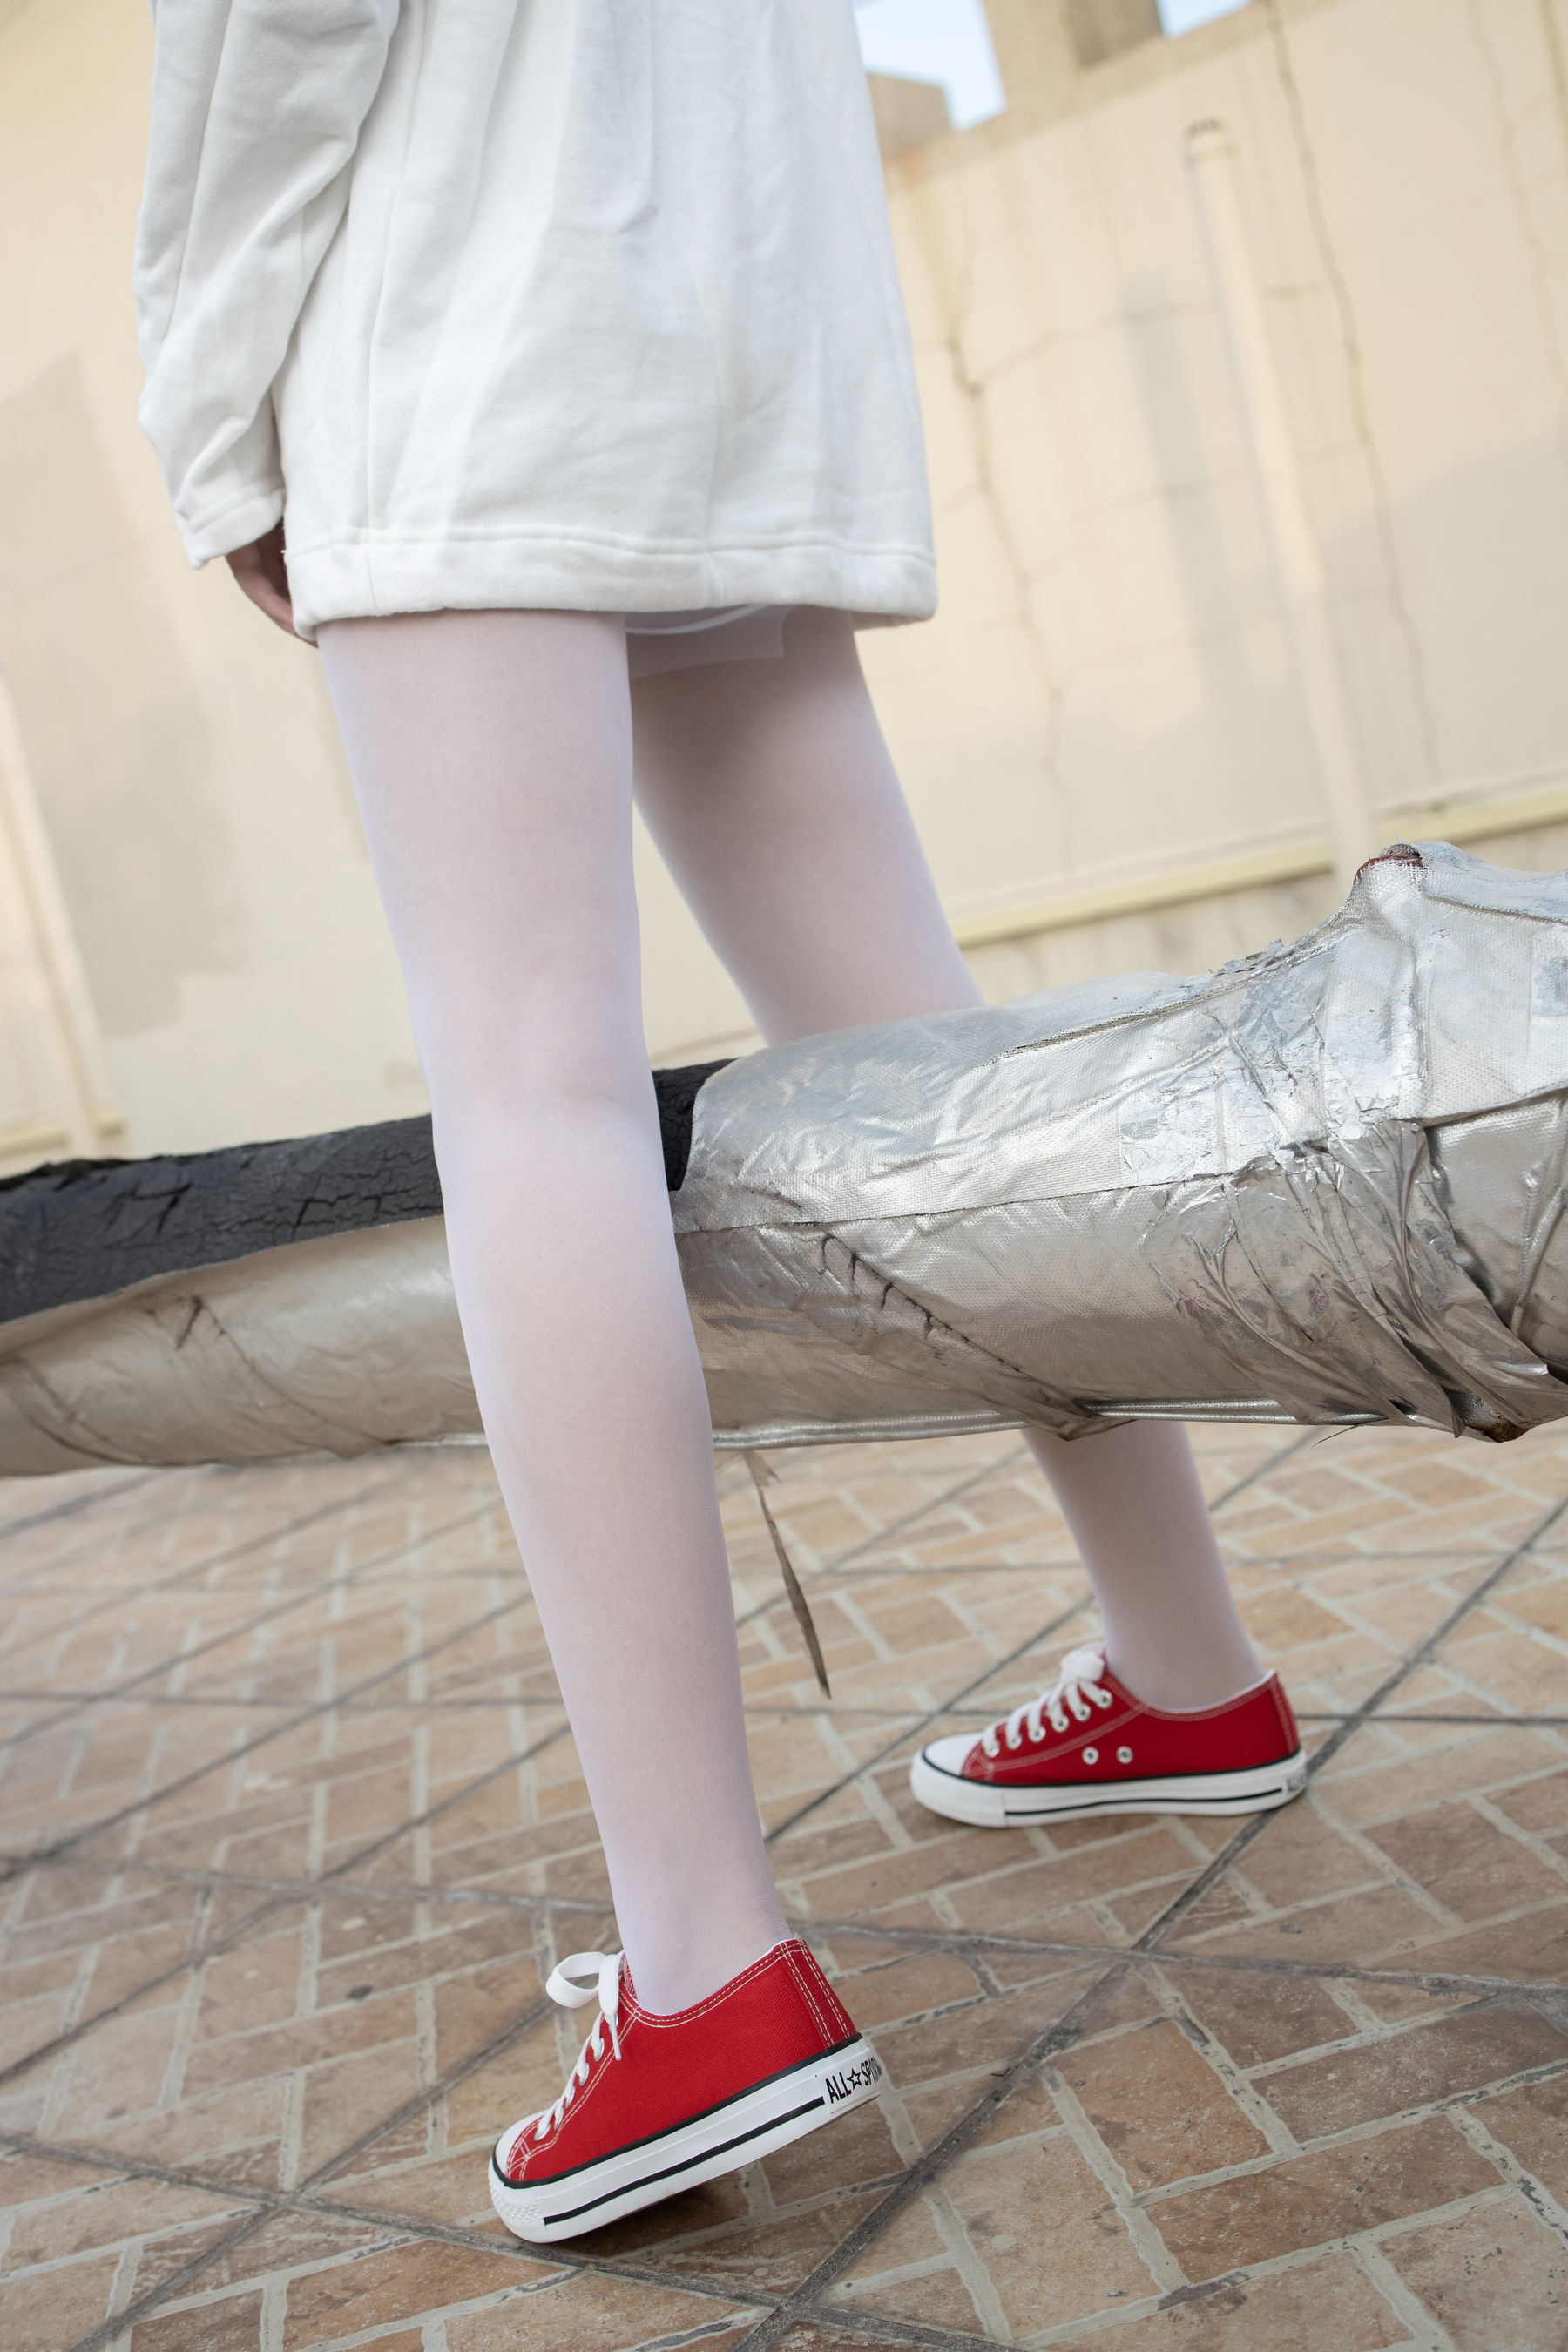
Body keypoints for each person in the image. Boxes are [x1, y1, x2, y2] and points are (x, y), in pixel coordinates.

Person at [135, 0, 1300, 2244]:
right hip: (726, 340)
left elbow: (273, 34)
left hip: (464, 315)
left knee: (530, 1096)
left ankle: (704, 1968)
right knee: (917, 1067)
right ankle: (1189, 1665)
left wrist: (216, 425)